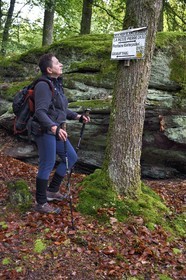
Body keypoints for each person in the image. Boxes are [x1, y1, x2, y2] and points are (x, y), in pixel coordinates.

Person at [33, 53, 90, 214]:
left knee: (71, 158)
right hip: (45, 130)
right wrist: (53, 128)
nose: (61, 65)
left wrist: (78, 116)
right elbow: (40, 112)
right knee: (47, 163)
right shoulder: (43, 85)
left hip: (55, 130)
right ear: (49, 69)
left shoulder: (55, 84)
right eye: (57, 63)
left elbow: (61, 109)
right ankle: (41, 202)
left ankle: (52, 190)